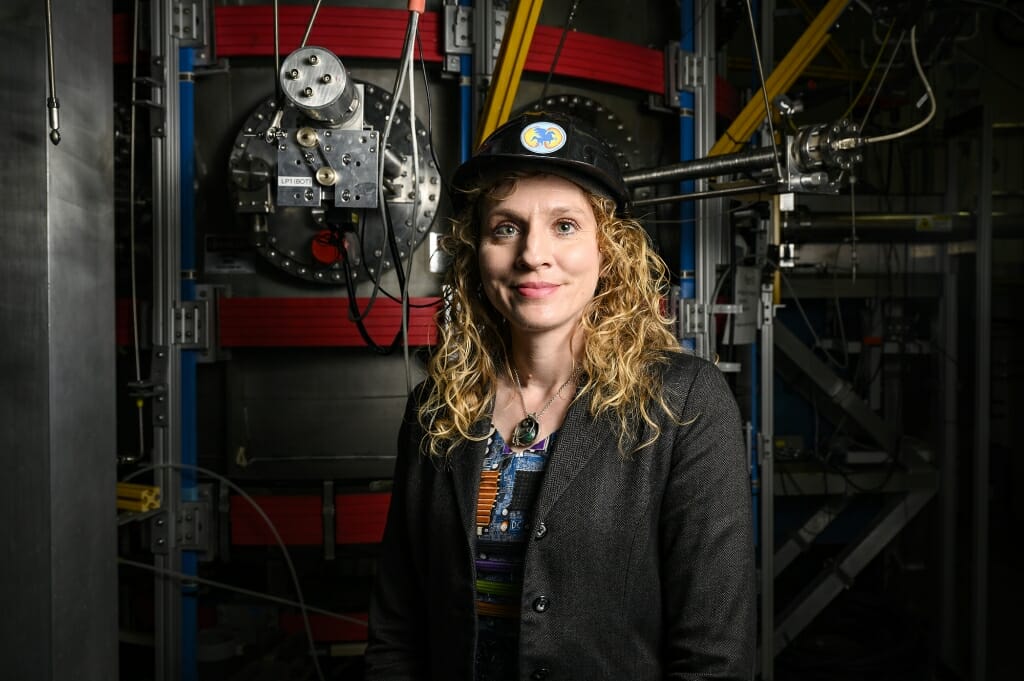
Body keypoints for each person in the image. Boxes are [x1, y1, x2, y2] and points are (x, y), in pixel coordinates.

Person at [364, 111, 755, 681]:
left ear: (609, 251)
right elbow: (397, 632)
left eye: (565, 225)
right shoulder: (436, 410)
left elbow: (715, 657)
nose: (532, 254)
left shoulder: (684, 402)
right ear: (478, 254)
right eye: (505, 227)